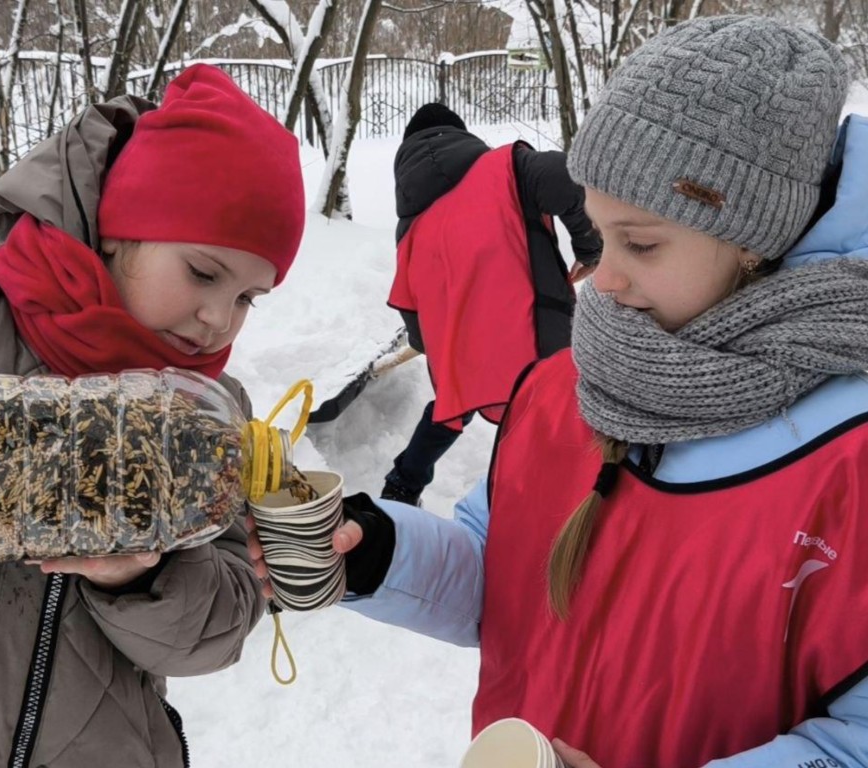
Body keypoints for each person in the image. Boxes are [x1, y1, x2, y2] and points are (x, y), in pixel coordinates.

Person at [249, 16, 868, 767]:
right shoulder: (562, 388)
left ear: (753, 236)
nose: (601, 281)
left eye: (640, 244)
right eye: (599, 236)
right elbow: (500, 566)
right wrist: (377, 551)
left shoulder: (850, 459)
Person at [0, 64, 304, 767]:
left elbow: (218, 631)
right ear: (120, 231)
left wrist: (141, 578)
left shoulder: (210, 424)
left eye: (249, 298)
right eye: (204, 274)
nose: (219, 320)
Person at [380, 103, 601, 505]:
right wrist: (590, 247)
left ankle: (402, 486)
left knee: (452, 407)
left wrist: (440, 349)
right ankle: (550, 499)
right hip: (536, 329)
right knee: (551, 408)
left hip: (465, 348)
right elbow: (572, 182)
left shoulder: (410, 226)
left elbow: (410, 302)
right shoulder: (508, 168)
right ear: (461, 136)